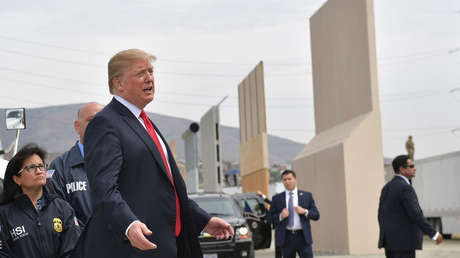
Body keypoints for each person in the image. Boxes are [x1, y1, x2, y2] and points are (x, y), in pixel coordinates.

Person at [75, 49, 233, 258]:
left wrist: (203, 220)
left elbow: (166, 189)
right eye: (141, 73)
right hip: (137, 248)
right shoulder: (105, 123)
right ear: (119, 83)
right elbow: (103, 189)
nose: (149, 78)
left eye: (151, 71)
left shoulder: (144, 123)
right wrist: (128, 224)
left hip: (170, 244)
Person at [0, 144, 81, 258]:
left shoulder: (62, 209)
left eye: (41, 166)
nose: (39, 171)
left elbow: (74, 249)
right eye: (31, 167)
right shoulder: (4, 215)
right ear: (17, 179)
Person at [48, 102, 103, 227]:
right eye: (91, 120)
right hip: (78, 244)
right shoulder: (59, 167)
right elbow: (55, 214)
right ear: (77, 126)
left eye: (103, 120)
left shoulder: (121, 162)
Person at [378, 155, 442, 258]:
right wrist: (433, 234)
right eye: (411, 166)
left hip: (389, 243)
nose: (414, 168)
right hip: (404, 245)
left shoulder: (386, 187)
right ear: (402, 169)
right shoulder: (405, 188)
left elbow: (381, 215)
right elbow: (416, 214)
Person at [269, 170, 320, 258]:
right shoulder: (276, 198)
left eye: (289, 179)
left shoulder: (307, 196)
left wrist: (305, 211)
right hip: (286, 238)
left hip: (303, 237)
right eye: (285, 180)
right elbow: (269, 218)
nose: (287, 182)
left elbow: (316, 215)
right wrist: (281, 216)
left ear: (295, 180)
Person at [257, 190, 283, 258]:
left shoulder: (283, 205)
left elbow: (268, 201)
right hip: (277, 228)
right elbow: (268, 201)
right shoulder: (275, 204)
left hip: (284, 228)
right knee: (278, 246)